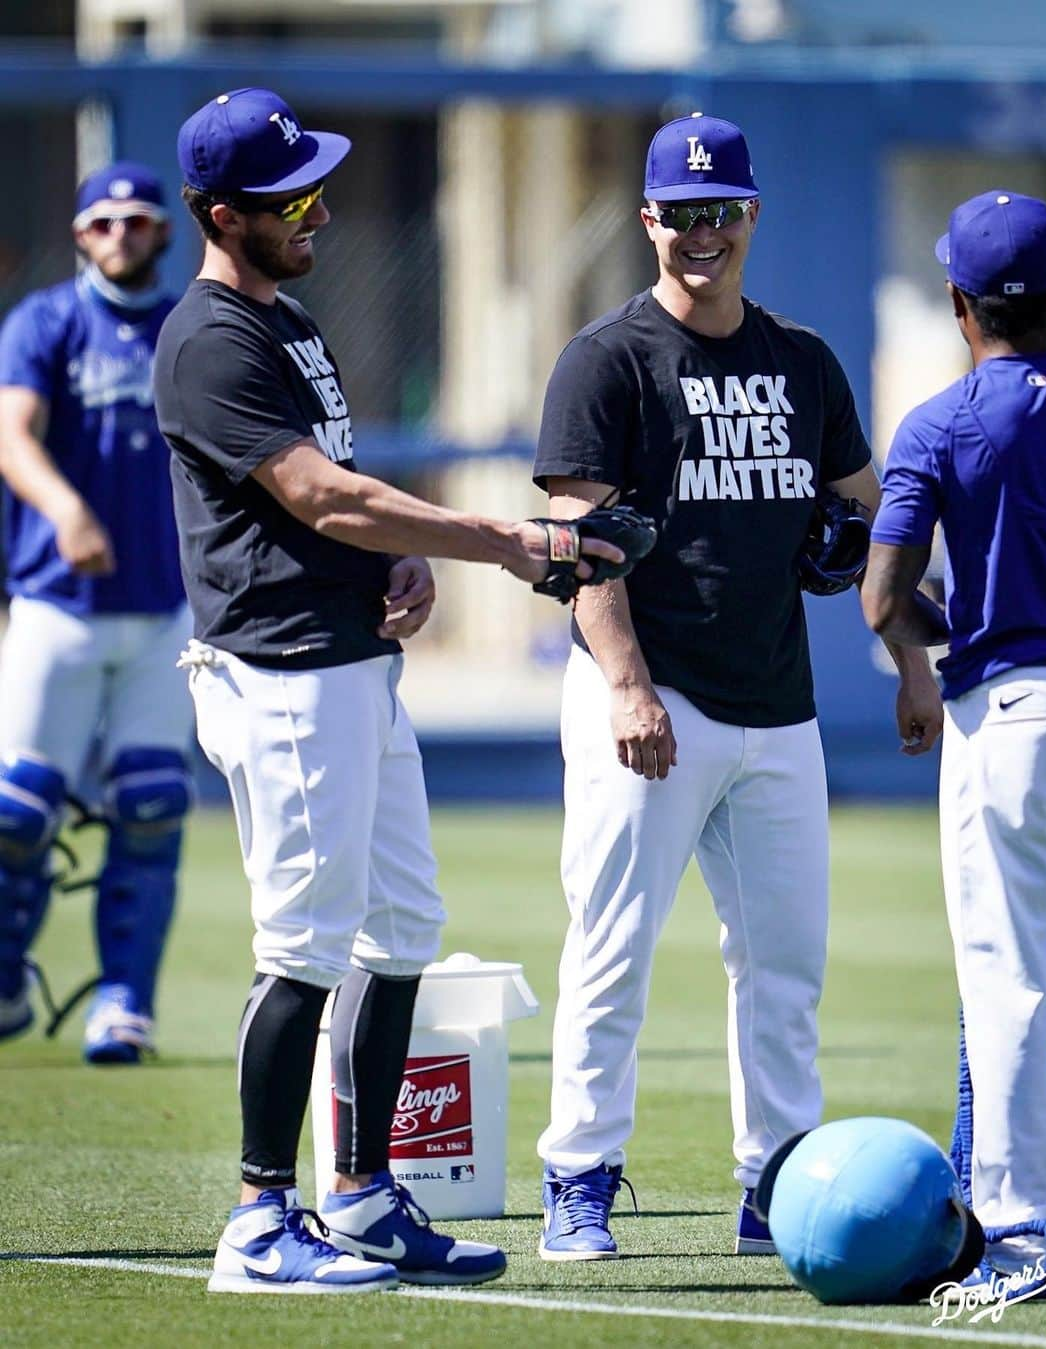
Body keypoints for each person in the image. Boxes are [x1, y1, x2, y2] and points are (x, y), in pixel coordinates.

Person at [153, 87, 632, 1296]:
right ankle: (261, 1219)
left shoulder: (284, 318)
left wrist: (403, 555)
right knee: (302, 946)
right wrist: (500, 540)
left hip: (353, 661)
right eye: (289, 196)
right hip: (282, 671)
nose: (317, 207)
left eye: (317, 185)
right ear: (221, 215)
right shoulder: (209, 337)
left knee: (403, 928)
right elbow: (318, 495)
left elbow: (344, 500)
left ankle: (359, 1194)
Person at [530, 112, 943, 1261]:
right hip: (650, 695)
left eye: (724, 211)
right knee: (613, 948)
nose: (703, 232)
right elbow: (579, 540)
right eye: (684, 213)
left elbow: (876, 512)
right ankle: (580, 1175)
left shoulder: (802, 360)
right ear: (649, 218)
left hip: (777, 701)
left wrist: (909, 655)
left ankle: (779, 1184)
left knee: (786, 965)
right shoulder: (607, 358)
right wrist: (626, 686)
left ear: (749, 216)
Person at [862, 189, 1046, 1285]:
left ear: (959, 301)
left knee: (1004, 976)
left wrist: (949, 621)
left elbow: (881, 597)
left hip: (1012, 712)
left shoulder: (939, 423)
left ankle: (1024, 1224)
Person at [0, 161, 192, 1064]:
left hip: (164, 605)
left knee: (151, 804)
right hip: (56, 599)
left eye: (140, 221)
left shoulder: (190, 328)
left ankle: (124, 1002)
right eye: (106, 222)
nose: (122, 235)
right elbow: (11, 434)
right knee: (17, 811)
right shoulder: (45, 321)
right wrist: (66, 508)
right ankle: (4, 979)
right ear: (83, 234)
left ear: (163, 233)